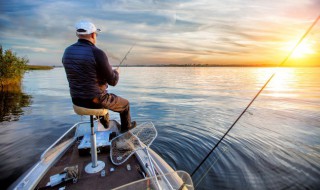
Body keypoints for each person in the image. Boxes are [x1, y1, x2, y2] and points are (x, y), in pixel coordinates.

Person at [62, 20, 136, 133]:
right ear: (92, 34)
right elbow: (113, 81)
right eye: (96, 34)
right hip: (95, 101)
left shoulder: (67, 51)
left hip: (76, 100)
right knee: (125, 105)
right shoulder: (97, 53)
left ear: (78, 35)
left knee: (102, 96)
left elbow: (84, 72)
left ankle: (105, 122)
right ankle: (125, 134)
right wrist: (116, 73)